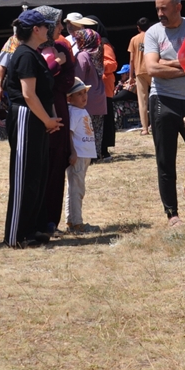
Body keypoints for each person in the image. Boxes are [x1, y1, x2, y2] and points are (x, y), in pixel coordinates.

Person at [3, 9, 63, 248]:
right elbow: (28, 95)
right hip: (26, 117)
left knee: (37, 174)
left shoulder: (34, 53)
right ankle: (15, 235)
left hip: (37, 118)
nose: (49, 30)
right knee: (23, 175)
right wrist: (48, 120)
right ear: (35, 30)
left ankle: (31, 229)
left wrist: (50, 118)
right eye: (45, 26)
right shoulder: (25, 54)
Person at [144, 0, 185, 228]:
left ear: (178, 7)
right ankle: (172, 213)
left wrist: (167, 63)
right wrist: (184, 66)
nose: (160, 13)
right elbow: (152, 69)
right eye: (157, 9)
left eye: (164, 8)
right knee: (165, 160)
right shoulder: (153, 33)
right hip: (162, 99)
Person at [34, 6, 76, 234]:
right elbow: (37, 82)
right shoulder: (28, 50)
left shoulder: (61, 47)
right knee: (42, 165)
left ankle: (52, 220)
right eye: (58, 23)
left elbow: (69, 79)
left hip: (58, 109)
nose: (61, 28)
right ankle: (38, 218)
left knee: (58, 163)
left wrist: (53, 80)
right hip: (39, 111)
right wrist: (55, 65)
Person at [64, 77, 97, 232]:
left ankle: (71, 220)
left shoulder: (80, 111)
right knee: (77, 189)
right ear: (69, 98)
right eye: (79, 94)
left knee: (75, 187)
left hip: (84, 155)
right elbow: (69, 133)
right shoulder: (74, 112)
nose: (84, 97)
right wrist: (73, 151)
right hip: (78, 156)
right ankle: (77, 222)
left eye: (85, 93)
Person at [87, 15, 118, 160]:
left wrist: (94, 65)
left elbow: (112, 64)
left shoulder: (104, 44)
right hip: (95, 87)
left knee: (104, 121)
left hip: (104, 87)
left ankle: (104, 150)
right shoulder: (88, 45)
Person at [74, 28, 108, 158]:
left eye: (78, 39)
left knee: (86, 130)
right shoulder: (98, 52)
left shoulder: (83, 55)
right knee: (97, 130)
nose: (76, 41)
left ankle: (87, 156)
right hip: (99, 96)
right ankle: (96, 155)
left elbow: (78, 78)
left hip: (87, 98)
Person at [128, 17, 152, 135]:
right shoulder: (153, 36)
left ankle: (145, 128)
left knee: (142, 101)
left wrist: (130, 76)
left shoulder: (134, 39)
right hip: (153, 70)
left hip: (139, 72)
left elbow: (132, 59)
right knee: (156, 98)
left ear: (138, 28)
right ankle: (154, 123)